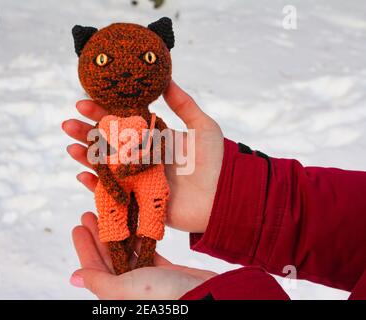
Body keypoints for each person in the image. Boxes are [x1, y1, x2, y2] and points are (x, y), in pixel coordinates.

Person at [62, 80, 366, 300]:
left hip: (151, 189)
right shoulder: (115, 130)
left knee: (143, 223)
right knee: (117, 225)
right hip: (123, 191)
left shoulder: (151, 126)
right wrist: (240, 193)